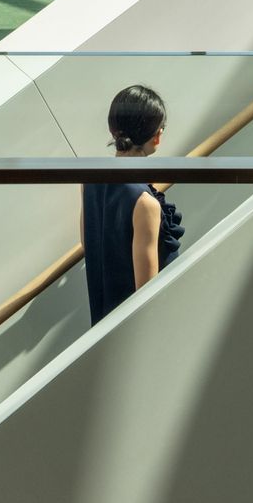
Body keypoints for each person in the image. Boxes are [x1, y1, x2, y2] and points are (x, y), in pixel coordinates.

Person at [82, 84, 183, 325]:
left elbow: (89, 242)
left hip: (104, 316)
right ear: (157, 135)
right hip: (135, 333)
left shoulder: (89, 179)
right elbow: (146, 296)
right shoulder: (144, 203)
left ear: (112, 128)